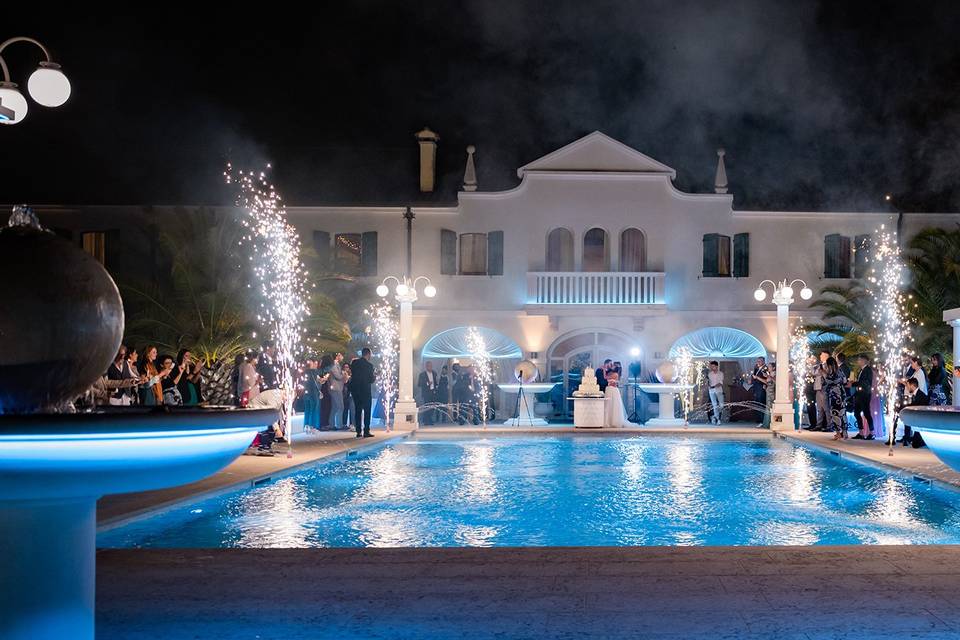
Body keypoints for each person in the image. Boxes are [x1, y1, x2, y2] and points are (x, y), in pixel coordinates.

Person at [348, 348, 375, 437]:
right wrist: (375, 376)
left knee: (357, 410)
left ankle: (358, 431)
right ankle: (366, 431)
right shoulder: (369, 365)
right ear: (368, 354)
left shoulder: (354, 363)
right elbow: (371, 379)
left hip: (355, 390)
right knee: (367, 411)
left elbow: (352, 374)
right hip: (365, 390)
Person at [823, 356, 848, 440]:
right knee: (843, 413)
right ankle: (844, 433)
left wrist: (824, 373)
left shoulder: (831, 372)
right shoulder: (840, 370)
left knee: (835, 414)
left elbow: (828, 382)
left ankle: (838, 433)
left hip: (835, 395)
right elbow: (845, 381)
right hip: (842, 393)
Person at [851, 354, 875, 440]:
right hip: (859, 394)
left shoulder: (868, 370)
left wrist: (853, 384)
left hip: (865, 394)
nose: (858, 362)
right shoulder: (861, 370)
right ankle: (861, 432)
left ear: (863, 361)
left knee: (867, 413)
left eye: (859, 360)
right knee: (856, 413)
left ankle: (872, 433)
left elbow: (864, 383)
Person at [902, 377, 929, 448]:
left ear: (912, 386)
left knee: (916, 444)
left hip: (920, 417)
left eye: (908, 385)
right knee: (906, 417)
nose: (907, 387)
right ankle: (907, 438)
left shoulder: (921, 396)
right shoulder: (913, 394)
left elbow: (920, 408)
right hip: (915, 415)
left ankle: (915, 439)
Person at [604, 363, 630, 427]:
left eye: (613, 366)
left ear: (615, 369)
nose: (611, 366)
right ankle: (609, 420)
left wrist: (604, 370)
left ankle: (614, 421)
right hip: (609, 389)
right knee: (609, 405)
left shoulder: (615, 374)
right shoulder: (612, 373)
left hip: (612, 390)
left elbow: (605, 377)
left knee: (613, 405)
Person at [302, 357, 322, 430]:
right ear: (312, 363)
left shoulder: (304, 371)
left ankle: (306, 425)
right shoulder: (313, 372)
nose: (316, 365)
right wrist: (321, 381)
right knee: (313, 408)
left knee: (307, 409)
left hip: (306, 392)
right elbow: (315, 383)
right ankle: (312, 425)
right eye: (315, 363)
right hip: (313, 392)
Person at [328, 353, 346, 428]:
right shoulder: (334, 365)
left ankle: (332, 425)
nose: (342, 357)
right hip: (336, 388)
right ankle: (339, 425)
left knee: (335, 407)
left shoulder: (337, 364)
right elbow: (338, 376)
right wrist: (344, 375)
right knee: (340, 406)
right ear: (337, 356)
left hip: (337, 388)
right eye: (341, 355)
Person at [418, 361, 438, 425]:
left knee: (432, 407)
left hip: (433, 392)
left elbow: (436, 382)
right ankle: (426, 420)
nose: (430, 367)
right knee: (427, 406)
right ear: (426, 367)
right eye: (429, 366)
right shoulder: (422, 374)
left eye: (431, 366)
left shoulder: (434, 373)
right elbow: (419, 384)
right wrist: (427, 383)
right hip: (426, 393)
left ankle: (429, 419)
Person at [802, 355, 818, 430]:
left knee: (812, 407)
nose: (807, 360)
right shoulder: (807, 368)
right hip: (807, 389)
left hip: (812, 390)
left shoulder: (816, 368)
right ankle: (811, 423)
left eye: (810, 359)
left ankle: (814, 424)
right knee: (809, 407)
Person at [751, 357, 769, 421]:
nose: (758, 363)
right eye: (757, 361)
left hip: (761, 389)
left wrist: (757, 377)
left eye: (759, 361)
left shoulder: (765, 368)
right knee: (757, 404)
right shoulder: (757, 368)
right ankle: (759, 419)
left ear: (763, 361)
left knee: (761, 404)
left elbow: (767, 379)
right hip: (757, 388)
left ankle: (762, 420)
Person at [318, 354, 334, 428]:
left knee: (323, 406)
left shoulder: (320, 369)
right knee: (326, 406)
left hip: (323, 388)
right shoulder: (329, 369)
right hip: (326, 389)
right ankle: (324, 423)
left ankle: (323, 423)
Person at [707, 361, 724, 425]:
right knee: (714, 405)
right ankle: (717, 419)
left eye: (713, 366)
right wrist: (709, 385)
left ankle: (714, 417)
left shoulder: (721, 373)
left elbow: (720, 383)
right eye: (711, 366)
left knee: (721, 405)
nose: (711, 367)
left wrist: (713, 386)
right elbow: (709, 382)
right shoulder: (709, 374)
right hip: (711, 391)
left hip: (719, 390)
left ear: (716, 366)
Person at [341, 362, 353, 428]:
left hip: (350, 393)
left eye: (347, 367)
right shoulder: (342, 373)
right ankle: (344, 423)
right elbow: (344, 381)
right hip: (344, 393)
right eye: (345, 367)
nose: (346, 368)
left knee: (351, 409)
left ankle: (352, 423)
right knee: (345, 408)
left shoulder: (351, 374)